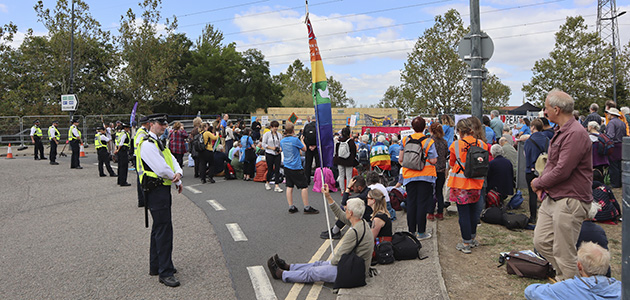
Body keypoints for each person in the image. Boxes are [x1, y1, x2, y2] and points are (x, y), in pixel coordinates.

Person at [531, 88, 593, 281]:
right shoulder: (561, 131)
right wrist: (542, 185)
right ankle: (567, 278)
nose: (545, 111)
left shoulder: (575, 133)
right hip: (554, 196)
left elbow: (562, 170)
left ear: (556, 110)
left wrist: (538, 182)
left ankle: (569, 284)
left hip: (569, 199)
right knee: (541, 242)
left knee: (563, 251)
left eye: (546, 107)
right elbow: (552, 164)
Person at [268, 184, 373, 283]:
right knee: (318, 264)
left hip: (352, 273)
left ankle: (282, 274)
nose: (344, 209)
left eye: (346, 208)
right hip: (352, 265)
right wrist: (328, 197)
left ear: (350, 213)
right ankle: (289, 267)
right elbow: (340, 215)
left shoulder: (354, 232)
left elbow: (339, 257)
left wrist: (328, 266)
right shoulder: (361, 221)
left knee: (314, 272)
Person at [137, 113, 183, 287]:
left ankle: (156, 266)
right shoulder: (148, 144)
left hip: (161, 189)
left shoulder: (159, 142)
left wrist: (179, 173)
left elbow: (171, 159)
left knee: (159, 228)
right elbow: (161, 168)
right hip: (156, 190)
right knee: (164, 231)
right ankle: (165, 272)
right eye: (160, 124)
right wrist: (176, 179)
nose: (164, 127)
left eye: (165, 124)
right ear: (151, 124)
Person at [524, 242, 620, 299]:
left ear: (579, 266)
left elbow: (530, 291)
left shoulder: (568, 287)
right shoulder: (621, 288)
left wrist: (557, 287)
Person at [448, 117, 487, 254]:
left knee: (463, 213)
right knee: (473, 212)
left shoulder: (455, 145)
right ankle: (472, 237)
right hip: (477, 183)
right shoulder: (482, 144)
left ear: (459, 131)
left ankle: (466, 242)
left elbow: (452, 163)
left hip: (460, 184)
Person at [400, 116, 438, 240]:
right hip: (425, 176)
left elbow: (401, 159)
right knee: (422, 203)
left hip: (409, 176)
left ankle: (411, 231)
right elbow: (433, 160)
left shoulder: (405, 140)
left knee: (411, 203)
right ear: (424, 127)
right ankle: (421, 232)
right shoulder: (428, 141)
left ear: (412, 127)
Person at [280, 123, 319, 214]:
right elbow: (304, 149)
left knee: (289, 186)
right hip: (296, 166)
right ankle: (306, 207)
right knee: (304, 186)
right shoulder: (295, 140)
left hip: (287, 165)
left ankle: (291, 206)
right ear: (293, 130)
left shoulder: (282, 141)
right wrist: (302, 140)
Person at [524, 118, 549, 223]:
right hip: (545, 170)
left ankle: (533, 217)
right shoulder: (547, 140)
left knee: (532, 194)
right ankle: (546, 217)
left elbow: (526, 155)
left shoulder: (529, 141)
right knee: (547, 194)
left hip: (531, 169)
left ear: (533, 127)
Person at [428, 122, 448, 220]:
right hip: (441, 169)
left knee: (431, 192)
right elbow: (445, 155)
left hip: (431, 169)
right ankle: (440, 212)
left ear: (430, 130)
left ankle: (430, 212)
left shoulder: (430, 141)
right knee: (439, 192)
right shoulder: (444, 142)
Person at [604, 107, 626, 188]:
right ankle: (620, 182)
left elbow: (610, 135)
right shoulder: (622, 123)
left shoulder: (611, 123)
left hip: (614, 146)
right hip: (621, 145)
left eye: (609, 114)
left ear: (612, 114)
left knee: (613, 166)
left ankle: (615, 183)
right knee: (620, 165)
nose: (608, 115)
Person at [334, 126, 359, 191]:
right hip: (349, 161)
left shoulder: (338, 141)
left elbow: (336, 151)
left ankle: (342, 190)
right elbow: (353, 151)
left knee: (341, 175)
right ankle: (347, 189)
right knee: (348, 176)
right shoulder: (351, 141)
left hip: (339, 160)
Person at [262, 120, 283, 192]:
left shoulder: (279, 135)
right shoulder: (267, 134)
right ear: (271, 127)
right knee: (270, 169)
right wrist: (271, 148)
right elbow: (263, 144)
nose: (275, 129)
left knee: (277, 169)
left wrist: (280, 149)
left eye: (277, 127)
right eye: (274, 127)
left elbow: (281, 144)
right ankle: (267, 182)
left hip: (277, 154)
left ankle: (277, 185)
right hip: (269, 153)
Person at [135, 116, 151, 207]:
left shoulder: (142, 131)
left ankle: (143, 200)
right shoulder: (142, 132)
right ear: (147, 123)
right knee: (141, 179)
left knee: (141, 179)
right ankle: (142, 200)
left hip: (139, 156)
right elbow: (138, 144)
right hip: (140, 158)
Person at [303, 115, 320, 185]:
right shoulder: (319, 126)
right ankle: (318, 180)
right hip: (317, 147)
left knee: (308, 164)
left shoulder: (307, 126)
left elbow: (304, 137)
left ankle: (307, 180)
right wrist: (315, 145)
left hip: (308, 148)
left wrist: (309, 145)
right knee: (318, 164)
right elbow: (321, 137)